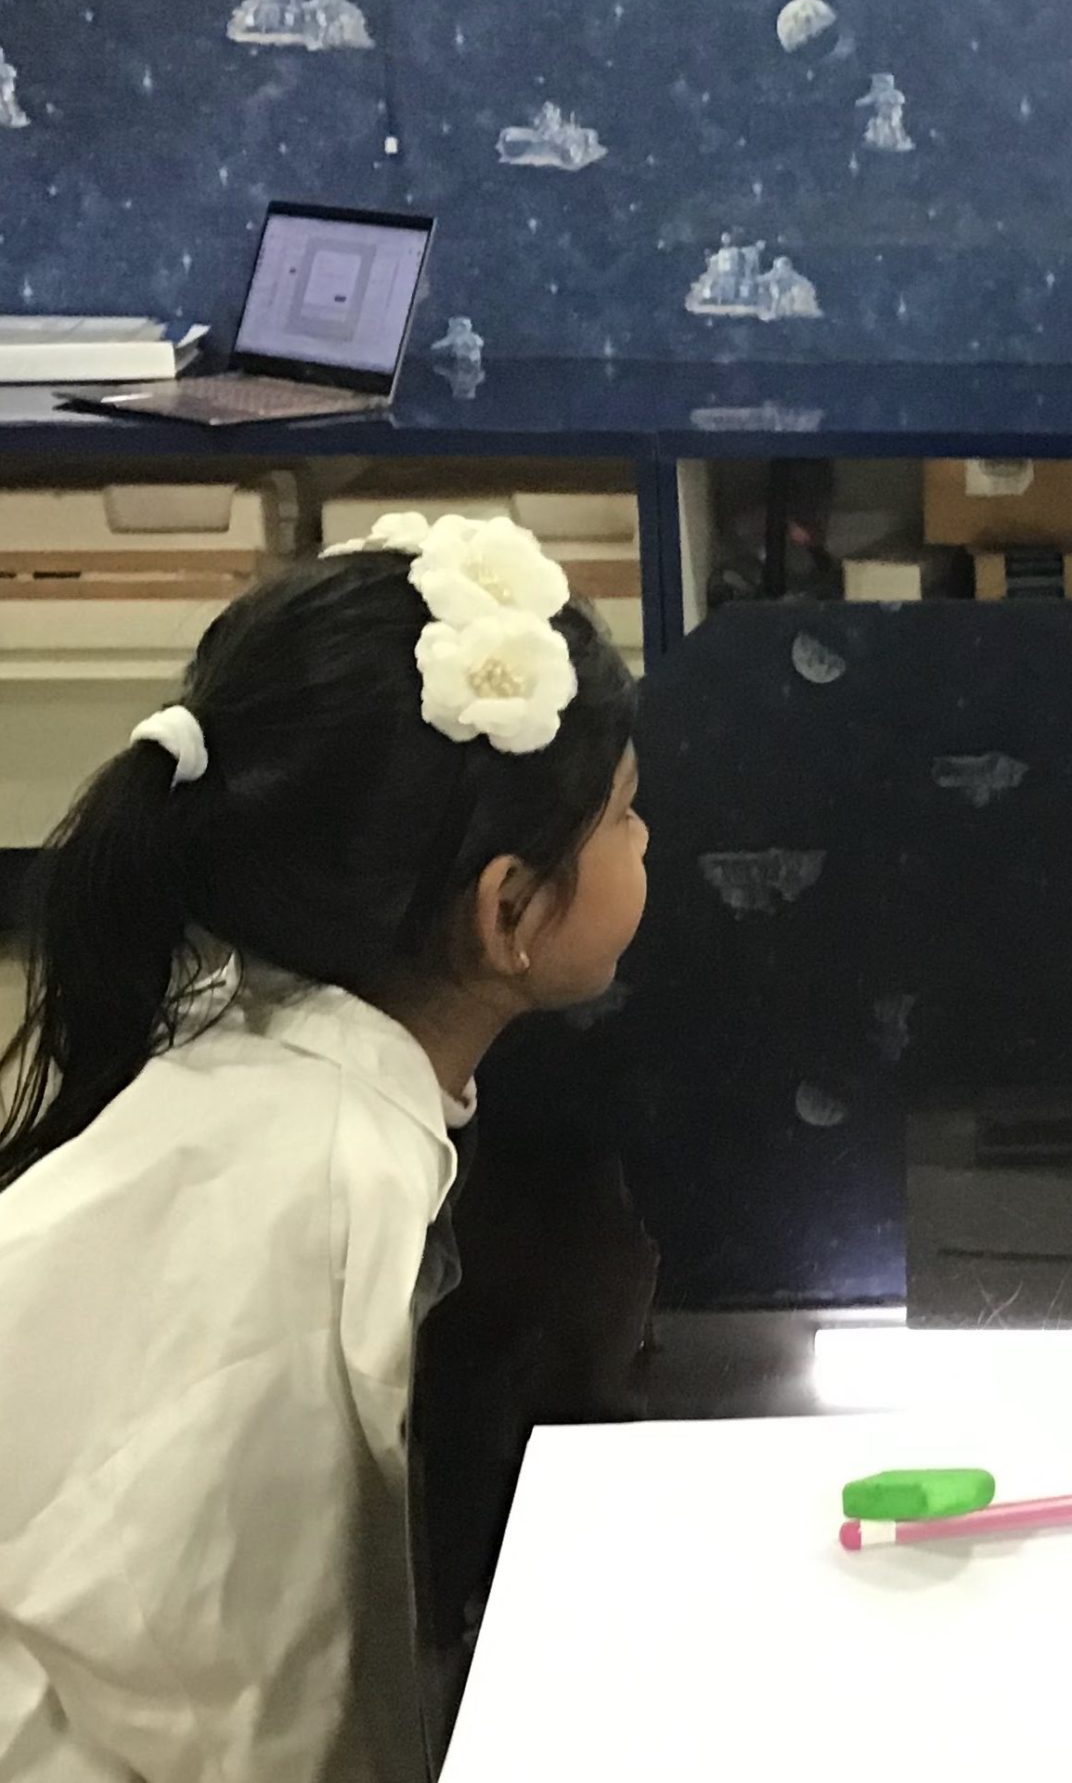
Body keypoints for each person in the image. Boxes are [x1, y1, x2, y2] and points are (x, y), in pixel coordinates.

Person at [0, 514, 647, 1780]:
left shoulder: (243, 1029)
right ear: (509, 909)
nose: (646, 842)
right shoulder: (332, 1200)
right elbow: (265, 1708)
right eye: (625, 814)